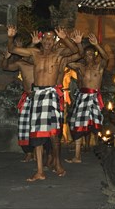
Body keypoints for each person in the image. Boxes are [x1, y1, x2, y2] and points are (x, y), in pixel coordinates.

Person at [7, 26, 81, 181]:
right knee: (36, 134)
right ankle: (39, 170)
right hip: (37, 95)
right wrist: (10, 36)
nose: (48, 41)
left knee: (54, 133)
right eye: (45, 38)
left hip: (52, 94)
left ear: (55, 41)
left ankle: (58, 163)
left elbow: (75, 51)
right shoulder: (34, 53)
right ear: (41, 40)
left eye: (51, 38)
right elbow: (13, 49)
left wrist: (64, 38)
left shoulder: (59, 54)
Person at [0, 32, 51, 163]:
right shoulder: (21, 63)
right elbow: (5, 67)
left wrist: (35, 44)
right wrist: (5, 58)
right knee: (24, 125)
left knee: (40, 126)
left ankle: (42, 151)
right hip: (27, 96)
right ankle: (28, 152)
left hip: (40, 96)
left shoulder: (41, 62)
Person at [65, 33, 109, 163]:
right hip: (82, 97)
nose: (88, 57)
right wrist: (75, 45)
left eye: (91, 54)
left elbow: (106, 57)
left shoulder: (99, 67)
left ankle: (104, 155)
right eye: (86, 54)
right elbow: (66, 62)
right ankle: (77, 156)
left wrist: (96, 44)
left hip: (95, 97)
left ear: (95, 55)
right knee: (78, 124)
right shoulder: (81, 67)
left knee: (98, 126)